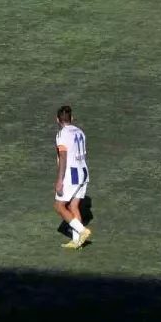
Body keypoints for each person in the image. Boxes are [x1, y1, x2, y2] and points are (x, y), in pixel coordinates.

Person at [53, 105, 92, 250]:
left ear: (57, 120)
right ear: (72, 118)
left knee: (59, 206)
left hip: (72, 174)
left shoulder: (62, 134)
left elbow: (63, 157)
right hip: (83, 172)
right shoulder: (80, 132)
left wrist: (59, 180)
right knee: (73, 206)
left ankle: (82, 231)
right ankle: (77, 241)